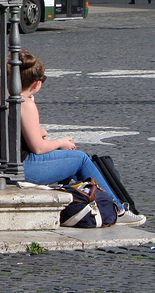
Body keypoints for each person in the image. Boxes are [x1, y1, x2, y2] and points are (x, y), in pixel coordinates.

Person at [17, 50, 145, 225]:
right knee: (80, 159)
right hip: (23, 167)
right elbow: (38, 148)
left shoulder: (6, 97)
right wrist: (61, 142)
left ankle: (79, 206)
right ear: (37, 83)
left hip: (11, 162)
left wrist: (40, 132)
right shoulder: (26, 103)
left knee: (70, 159)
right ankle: (116, 209)